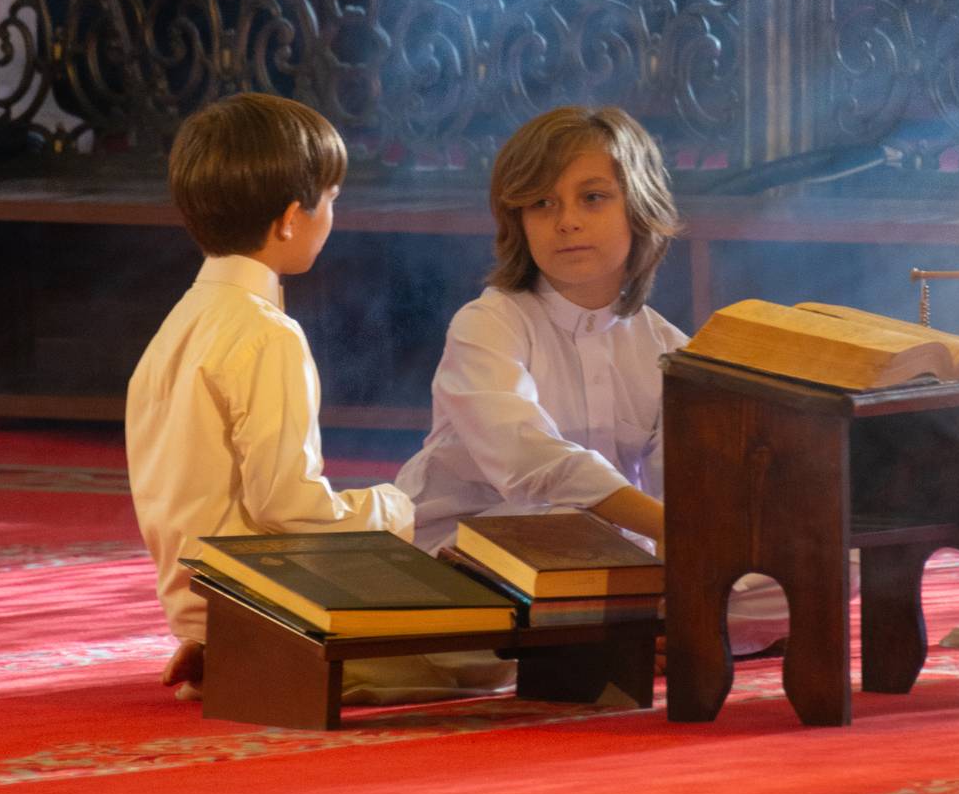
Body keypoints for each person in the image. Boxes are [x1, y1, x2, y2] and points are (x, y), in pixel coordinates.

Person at [126, 92, 510, 704]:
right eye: (330, 199)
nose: (333, 216)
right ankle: (276, 660)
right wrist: (392, 509)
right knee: (489, 654)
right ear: (289, 219)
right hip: (265, 600)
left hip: (202, 604)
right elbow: (288, 508)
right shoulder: (266, 334)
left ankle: (230, 648)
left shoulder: (179, 324)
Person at [395, 106, 788, 656]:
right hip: (470, 546)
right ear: (517, 221)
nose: (567, 222)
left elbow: (687, 486)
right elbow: (531, 461)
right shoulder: (487, 323)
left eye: (593, 198)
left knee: (803, 569)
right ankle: (653, 630)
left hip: (614, 552)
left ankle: (625, 631)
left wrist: (719, 544)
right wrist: (669, 530)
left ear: (639, 208)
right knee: (568, 535)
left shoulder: (668, 347)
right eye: (542, 203)